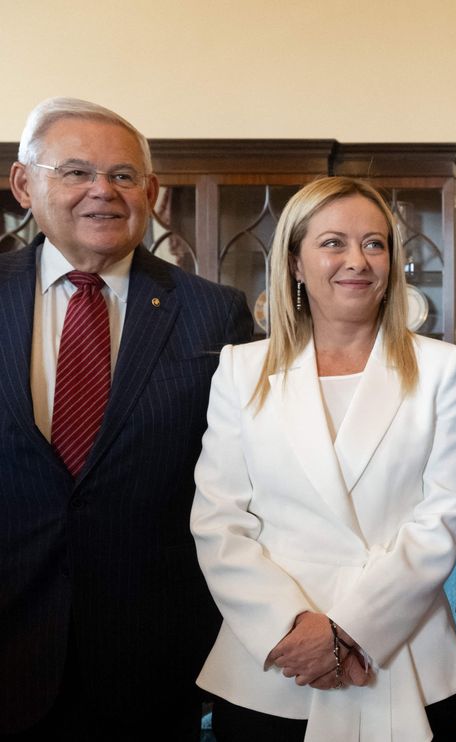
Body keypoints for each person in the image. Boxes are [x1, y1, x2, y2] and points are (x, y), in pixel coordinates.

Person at [190, 176, 456, 741]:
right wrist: (292, 627)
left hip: (402, 655)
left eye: (375, 244)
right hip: (276, 662)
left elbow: (446, 517)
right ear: (294, 263)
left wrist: (349, 629)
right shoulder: (241, 370)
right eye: (332, 243)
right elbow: (218, 521)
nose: (358, 261)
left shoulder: (444, 368)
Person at [0, 97, 252, 739]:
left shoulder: (215, 312)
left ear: (152, 192)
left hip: (152, 656)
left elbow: (250, 480)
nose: (102, 192)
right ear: (24, 185)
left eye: (122, 176)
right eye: (76, 172)